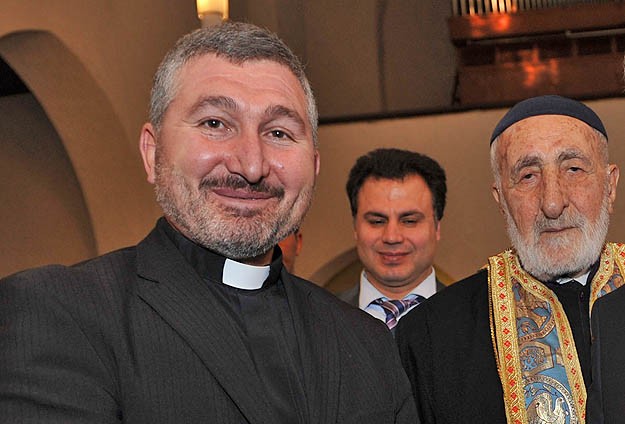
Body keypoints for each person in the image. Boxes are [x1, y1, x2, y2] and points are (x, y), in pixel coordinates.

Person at [0, 22, 417, 423]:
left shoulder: (366, 341)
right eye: (215, 124)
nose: (251, 165)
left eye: (278, 133)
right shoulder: (60, 313)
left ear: (314, 164)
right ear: (153, 153)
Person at [396, 95, 624, 424]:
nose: (552, 203)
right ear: (501, 199)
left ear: (610, 186)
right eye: (528, 176)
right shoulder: (433, 336)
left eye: (573, 169)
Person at [339, 148, 447, 331]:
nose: (392, 237)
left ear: (437, 227)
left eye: (409, 221)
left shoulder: (476, 317)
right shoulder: (317, 318)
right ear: (355, 227)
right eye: (377, 221)